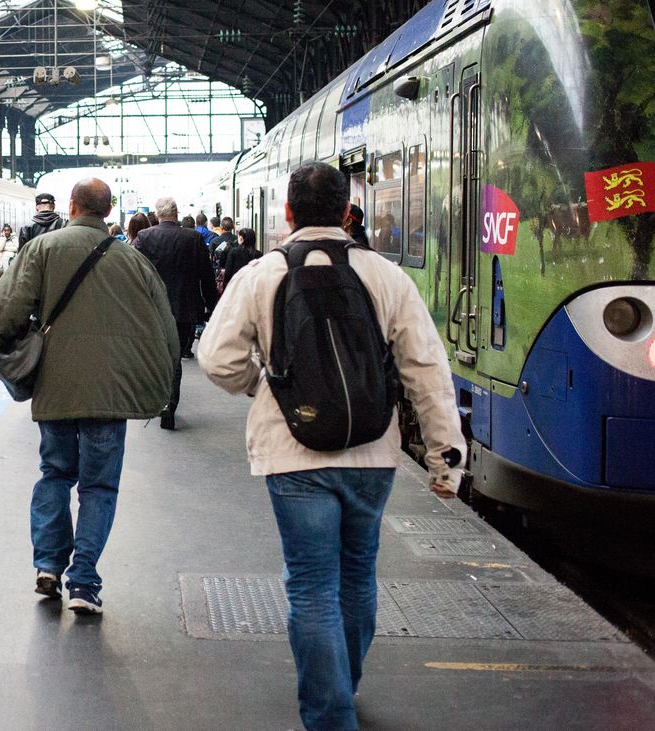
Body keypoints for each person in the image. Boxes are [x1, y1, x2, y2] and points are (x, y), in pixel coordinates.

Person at [198, 161, 466, 731]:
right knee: (358, 573)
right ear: (348, 213)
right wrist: (445, 460)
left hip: (293, 456)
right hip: (372, 453)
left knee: (312, 585)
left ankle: (328, 715)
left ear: (288, 213)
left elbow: (217, 359)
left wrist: (271, 388)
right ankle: (345, 683)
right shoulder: (387, 275)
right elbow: (426, 370)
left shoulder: (261, 274)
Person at [0, 178, 177, 615]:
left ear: (71, 207)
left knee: (55, 474)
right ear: (108, 212)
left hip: (56, 384)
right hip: (112, 391)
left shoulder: (43, 249)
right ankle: (84, 583)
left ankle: (48, 564)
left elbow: (4, 307)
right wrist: (163, 386)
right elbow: (166, 329)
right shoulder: (134, 260)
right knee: (99, 487)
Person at [135, 197, 219, 428]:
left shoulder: (144, 238)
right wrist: (213, 306)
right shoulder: (193, 238)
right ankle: (169, 406)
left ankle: (159, 399)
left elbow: (134, 275)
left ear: (158, 214)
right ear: (177, 213)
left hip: (152, 310)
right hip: (185, 309)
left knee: (156, 355)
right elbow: (206, 275)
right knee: (175, 358)